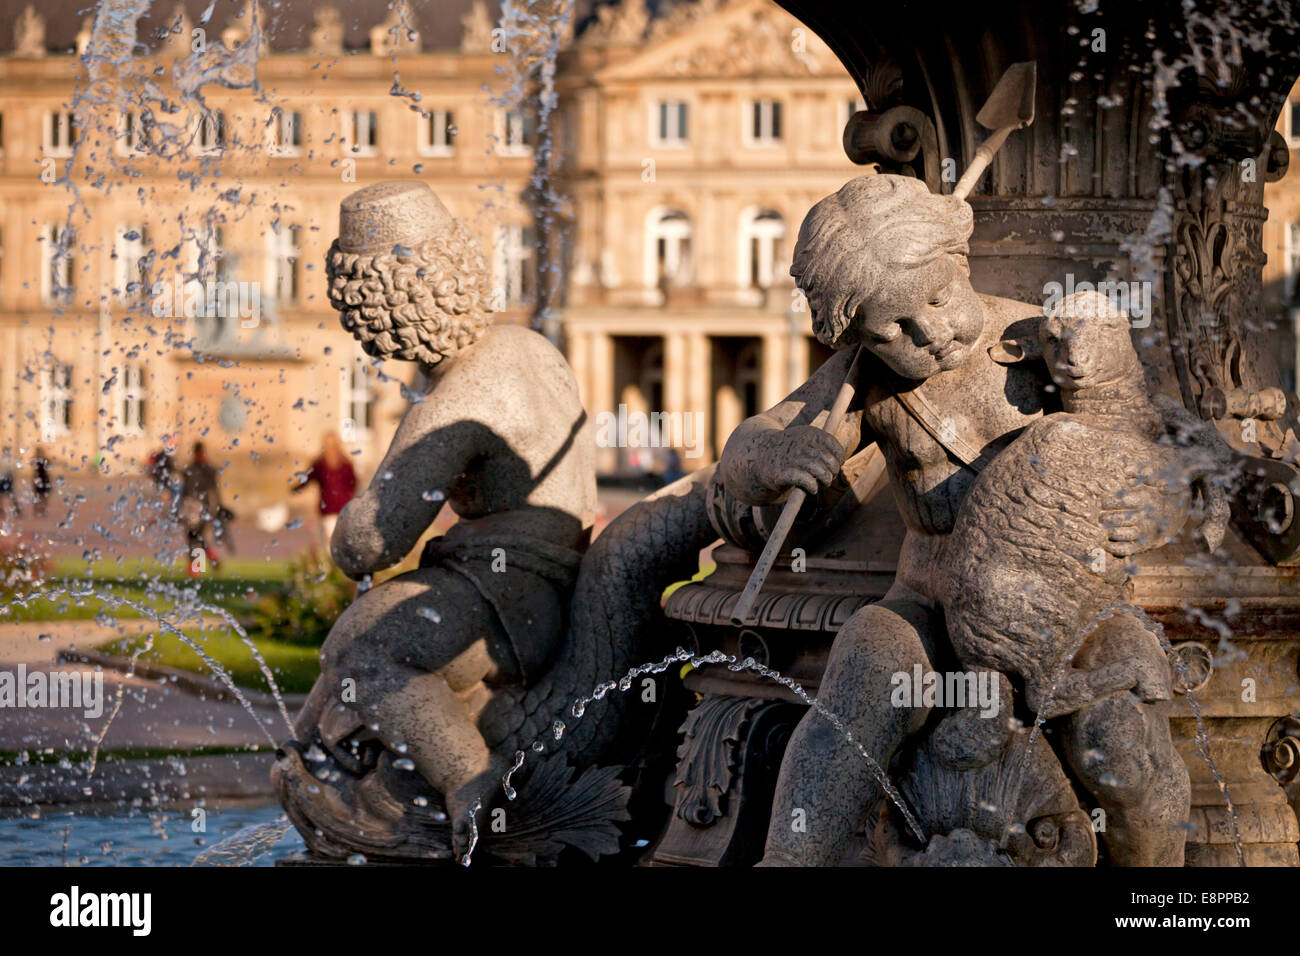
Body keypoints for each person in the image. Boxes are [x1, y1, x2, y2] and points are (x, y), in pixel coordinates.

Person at [715, 175, 1188, 866]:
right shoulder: (866, 378)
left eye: (939, 299)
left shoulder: (1043, 342)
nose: (929, 333)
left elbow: (1144, 442)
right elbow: (749, 444)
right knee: (859, 689)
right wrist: (774, 455)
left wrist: (1156, 506)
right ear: (857, 334)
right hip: (925, 604)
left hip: (1063, 607)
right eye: (893, 328)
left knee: (1117, 743)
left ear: (961, 264)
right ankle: (788, 862)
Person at [292, 431, 358, 553]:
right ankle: (334, 564)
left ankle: (332, 564)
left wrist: (296, 488)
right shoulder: (325, 463)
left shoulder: (336, 463)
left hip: (334, 506)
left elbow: (307, 478)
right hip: (338, 506)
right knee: (336, 538)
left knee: (332, 538)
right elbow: (353, 483)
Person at [179, 441, 229, 573]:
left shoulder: (189, 470)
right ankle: (208, 560)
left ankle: (196, 568)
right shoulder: (209, 469)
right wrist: (218, 507)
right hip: (204, 507)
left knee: (193, 537)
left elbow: (185, 491)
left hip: (191, 507)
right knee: (198, 537)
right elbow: (215, 491)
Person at [31, 448, 51, 518]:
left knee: (43, 497)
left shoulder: (45, 460)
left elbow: (48, 467)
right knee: (38, 496)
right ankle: (37, 510)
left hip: (43, 479)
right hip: (39, 479)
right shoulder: (36, 460)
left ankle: (42, 510)